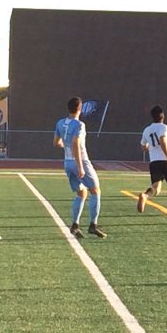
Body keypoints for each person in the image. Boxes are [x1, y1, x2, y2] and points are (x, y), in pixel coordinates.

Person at [54, 96, 106, 239]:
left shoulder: (60, 123)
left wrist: (68, 148)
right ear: (80, 108)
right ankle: (93, 225)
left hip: (67, 162)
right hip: (80, 161)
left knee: (81, 193)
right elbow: (76, 143)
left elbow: (56, 143)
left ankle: (75, 225)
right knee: (95, 191)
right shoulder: (79, 125)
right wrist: (80, 166)